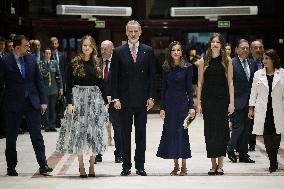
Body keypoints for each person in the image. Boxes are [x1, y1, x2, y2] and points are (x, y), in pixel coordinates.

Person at [56, 35, 108, 178]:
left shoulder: (97, 63)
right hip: (78, 101)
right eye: (84, 45)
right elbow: (68, 85)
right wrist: (70, 103)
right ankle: (81, 166)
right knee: (79, 134)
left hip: (94, 101)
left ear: (93, 48)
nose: (87, 48)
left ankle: (91, 165)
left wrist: (106, 102)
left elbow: (102, 85)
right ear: (81, 47)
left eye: (89, 46)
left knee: (93, 134)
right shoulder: (74, 63)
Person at [0, 35, 53, 176]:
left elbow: (39, 81)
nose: (28, 48)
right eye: (26, 46)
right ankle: (11, 167)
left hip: (32, 102)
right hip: (12, 104)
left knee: (37, 135)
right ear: (17, 47)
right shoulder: (5, 61)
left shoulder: (30, 58)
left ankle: (43, 164)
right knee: (11, 137)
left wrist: (43, 101)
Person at [111, 20, 156, 176]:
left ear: (140, 32)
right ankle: (126, 165)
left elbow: (152, 77)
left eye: (136, 31)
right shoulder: (118, 51)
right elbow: (113, 78)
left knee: (141, 135)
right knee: (125, 134)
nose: (133, 34)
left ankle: (140, 165)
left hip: (142, 100)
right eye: (130, 31)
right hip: (124, 101)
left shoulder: (148, 51)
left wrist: (151, 96)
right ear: (126, 32)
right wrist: (115, 98)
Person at [196, 33, 234, 175]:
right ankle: (213, 164)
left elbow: (230, 82)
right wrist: (198, 102)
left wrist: (232, 102)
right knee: (210, 132)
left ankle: (221, 165)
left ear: (221, 45)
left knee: (223, 131)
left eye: (218, 42)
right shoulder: (203, 61)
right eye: (213, 42)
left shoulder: (227, 60)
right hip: (208, 100)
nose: (215, 44)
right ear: (210, 44)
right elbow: (200, 82)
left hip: (222, 100)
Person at [157, 41, 195, 176]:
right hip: (169, 105)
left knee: (182, 134)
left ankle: (184, 166)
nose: (176, 52)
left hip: (183, 105)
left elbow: (189, 89)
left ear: (181, 52)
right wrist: (162, 108)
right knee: (172, 135)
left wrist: (191, 106)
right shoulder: (165, 67)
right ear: (170, 52)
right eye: (174, 50)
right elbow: (163, 89)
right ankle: (175, 166)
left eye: (178, 50)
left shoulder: (188, 67)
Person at [248, 49, 284, 173]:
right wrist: (251, 108)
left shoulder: (282, 73)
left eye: (267, 59)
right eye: (263, 59)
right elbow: (253, 92)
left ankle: (273, 159)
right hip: (263, 110)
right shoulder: (258, 74)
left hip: (278, 109)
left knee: (277, 135)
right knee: (267, 135)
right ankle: (272, 162)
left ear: (273, 59)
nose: (264, 61)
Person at [226, 39, 257, 164]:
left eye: (247, 48)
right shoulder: (231, 63)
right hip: (236, 101)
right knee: (238, 128)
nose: (245, 50)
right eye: (242, 48)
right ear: (237, 49)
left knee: (247, 130)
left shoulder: (252, 63)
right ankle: (230, 148)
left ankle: (243, 154)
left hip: (250, 103)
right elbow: (228, 83)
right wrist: (230, 102)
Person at [96, 40, 123, 164]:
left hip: (114, 100)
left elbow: (122, 82)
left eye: (105, 49)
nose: (103, 51)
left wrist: (114, 97)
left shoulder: (118, 62)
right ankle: (98, 154)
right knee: (99, 128)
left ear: (112, 49)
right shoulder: (97, 62)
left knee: (118, 128)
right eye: (101, 49)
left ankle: (119, 154)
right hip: (99, 101)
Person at [38, 48, 63, 132]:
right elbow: (38, 78)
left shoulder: (54, 63)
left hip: (54, 89)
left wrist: (61, 88)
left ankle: (52, 125)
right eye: (46, 53)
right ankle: (46, 125)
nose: (48, 55)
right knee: (46, 108)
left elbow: (59, 76)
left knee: (53, 108)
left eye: (49, 54)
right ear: (44, 54)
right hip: (44, 89)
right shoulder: (40, 64)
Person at [247, 40, 264, 151]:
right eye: (255, 48)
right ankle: (251, 144)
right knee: (250, 121)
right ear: (251, 50)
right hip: (250, 95)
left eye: (260, 47)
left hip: (264, 96)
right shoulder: (247, 62)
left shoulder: (266, 61)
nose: (258, 50)